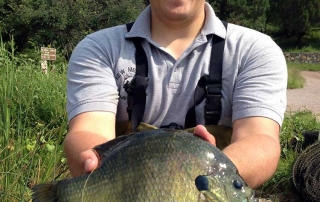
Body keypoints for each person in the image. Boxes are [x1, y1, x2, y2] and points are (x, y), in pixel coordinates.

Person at [64, 0, 287, 190]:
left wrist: (207, 176)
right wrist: (91, 159)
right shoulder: (99, 49)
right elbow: (88, 129)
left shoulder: (255, 51)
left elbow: (260, 138)